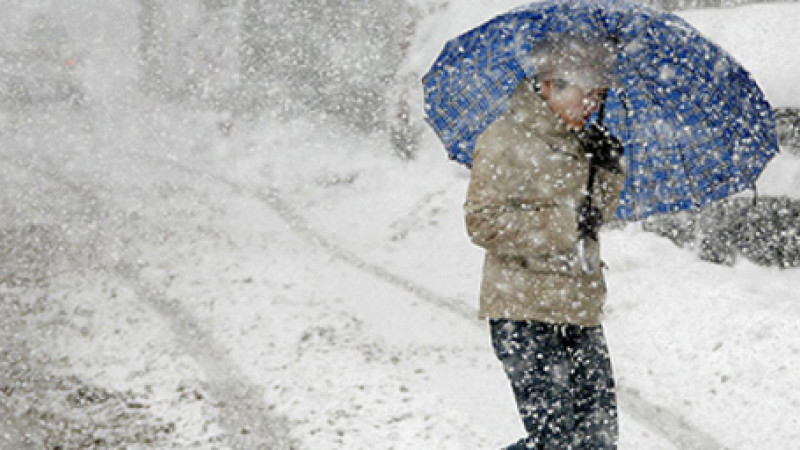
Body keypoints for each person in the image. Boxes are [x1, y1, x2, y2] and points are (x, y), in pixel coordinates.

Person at [464, 37, 626, 449]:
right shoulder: (504, 140)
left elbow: (591, 222)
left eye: (599, 95)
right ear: (550, 85)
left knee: (598, 441)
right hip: (525, 310)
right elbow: (483, 222)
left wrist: (608, 172)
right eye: (584, 93)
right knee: (554, 442)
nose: (591, 104)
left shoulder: (583, 142)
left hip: (579, 307)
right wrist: (564, 221)